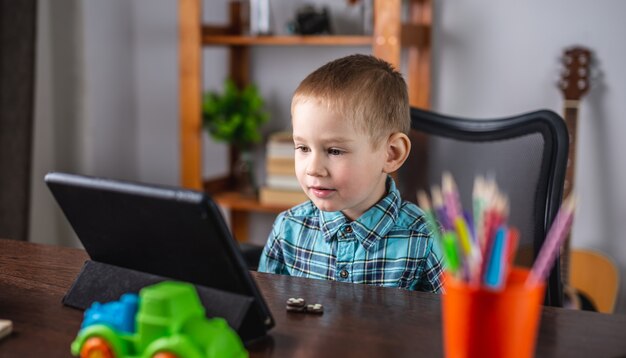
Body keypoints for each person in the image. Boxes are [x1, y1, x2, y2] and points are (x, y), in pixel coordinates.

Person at [258, 54, 443, 293]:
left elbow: (451, 325)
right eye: (303, 148)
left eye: (334, 151)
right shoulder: (288, 229)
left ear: (391, 154)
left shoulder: (426, 239)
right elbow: (264, 312)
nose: (313, 168)